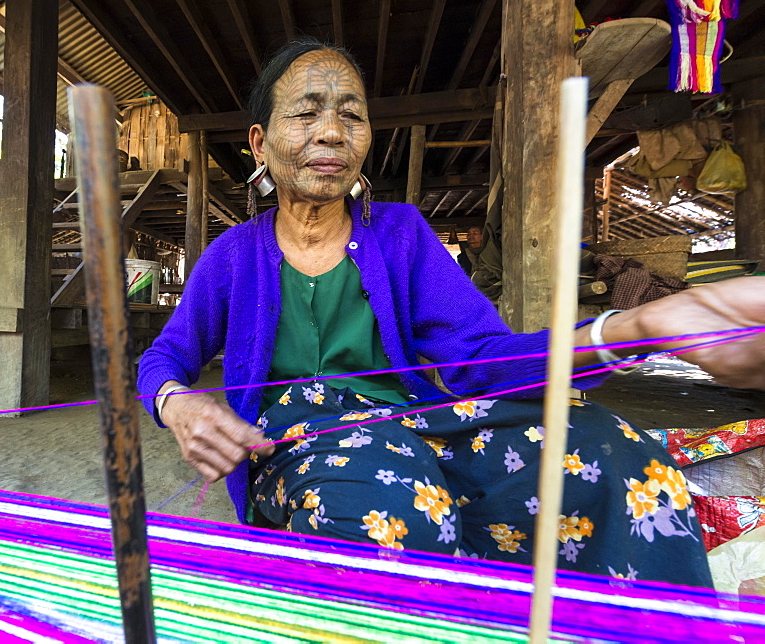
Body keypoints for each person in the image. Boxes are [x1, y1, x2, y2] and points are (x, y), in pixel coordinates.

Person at [137, 38, 765, 586]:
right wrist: (178, 402)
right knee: (396, 512)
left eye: (351, 117)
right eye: (305, 114)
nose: (331, 132)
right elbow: (166, 356)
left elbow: (483, 360)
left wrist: (634, 327)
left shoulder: (401, 235)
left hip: (413, 427)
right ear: (260, 143)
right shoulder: (231, 257)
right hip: (296, 446)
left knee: (616, 458)